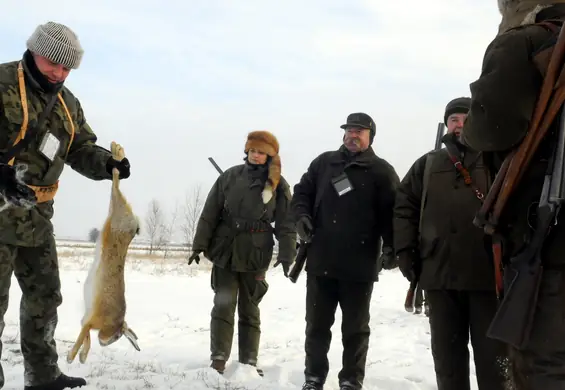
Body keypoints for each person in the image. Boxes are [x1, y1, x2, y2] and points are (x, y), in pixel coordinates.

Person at [0, 21, 131, 390]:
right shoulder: (4, 81)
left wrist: (107, 164)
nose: (59, 72)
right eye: (52, 63)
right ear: (33, 51)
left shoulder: (67, 104)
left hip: (38, 217)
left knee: (46, 297)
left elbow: (80, 148)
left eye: (66, 67)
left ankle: (42, 376)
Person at [460, 1, 565, 388]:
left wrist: (470, 127)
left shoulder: (526, 42)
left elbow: (492, 127)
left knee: (543, 365)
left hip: (547, 242)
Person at [393, 97, 511, 389]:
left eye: (465, 118)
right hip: (439, 275)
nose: (459, 125)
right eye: (454, 120)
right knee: (447, 361)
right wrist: (405, 250)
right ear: (447, 125)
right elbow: (404, 206)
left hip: (488, 277)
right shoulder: (428, 164)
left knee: (494, 360)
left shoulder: (497, 157)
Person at [291, 113, 399, 390]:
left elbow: (393, 215)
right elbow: (301, 192)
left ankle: (351, 381)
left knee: (355, 331)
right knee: (316, 327)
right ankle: (313, 378)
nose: (353, 135)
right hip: (321, 262)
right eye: (349, 130)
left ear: (370, 136)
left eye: (359, 131)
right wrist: (301, 216)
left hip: (359, 267)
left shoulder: (381, 171)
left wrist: (392, 246)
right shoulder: (324, 163)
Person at [189, 130, 296, 376]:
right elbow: (210, 213)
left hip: (256, 253)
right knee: (222, 306)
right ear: (246, 151)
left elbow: (286, 222)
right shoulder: (229, 177)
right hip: (225, 250)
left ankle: (248, 361)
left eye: (261, 152)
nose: (256, 156)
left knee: (250, 309)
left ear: (269, 156)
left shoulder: (279, 185)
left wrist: (287, 253)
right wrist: (199, 244)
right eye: (253, 151)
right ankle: (218, 358)